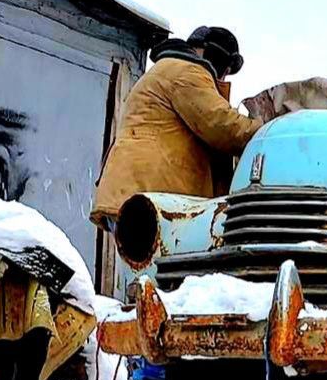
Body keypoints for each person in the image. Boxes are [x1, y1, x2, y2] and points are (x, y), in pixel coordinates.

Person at [91, 26, 263, 230]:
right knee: (161, 261)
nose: (223, 78)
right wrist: (266, 130)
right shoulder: (186, 71)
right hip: (150, 196)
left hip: (135, 192)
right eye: (225, 69)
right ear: (211, 53)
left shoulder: (166, 69)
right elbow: (223, 127)